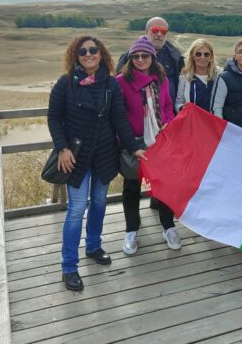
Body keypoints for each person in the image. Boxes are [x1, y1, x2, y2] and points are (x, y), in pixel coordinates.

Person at [47, 35, 141, 292]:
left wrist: (134, 147)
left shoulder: (111, 84)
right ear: (75, 56)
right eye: (83, 51)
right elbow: (54, 118)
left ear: (102, 54)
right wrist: (62, 148)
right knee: (77, 208)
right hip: (75, 157)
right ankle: (69, 267)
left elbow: (120, 118)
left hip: (104, 154)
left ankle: (93, 245)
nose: (89, 54)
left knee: (99, 202)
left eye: (93, 50)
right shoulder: (66, 84)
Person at [116, 35, 181, 254]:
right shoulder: (121, 81)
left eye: (145, 55)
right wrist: (129, 143)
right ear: (130, 58)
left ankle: (168, 226)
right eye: (136, 56)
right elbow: (119, 116)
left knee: (165, 185)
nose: (140, 59)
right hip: (133, 142)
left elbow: (168, 106)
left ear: (153, 57)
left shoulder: (161, 79)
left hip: (160, 141)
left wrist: (169, 127)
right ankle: (131, 229)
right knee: (132, 187)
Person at [116, 16, 184, 114]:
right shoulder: (128, 58)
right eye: (155, 30)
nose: (159, 34)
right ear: (146, 32)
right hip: (136, 120)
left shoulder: (175, 57)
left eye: (163, 31)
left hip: (168, 118)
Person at [211, 39, 242, 127]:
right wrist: (220, 128)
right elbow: (216, 107)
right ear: (235, 56)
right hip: (232, 130)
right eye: (240, 52)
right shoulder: (224, 78)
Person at [175, 39, 221, 112]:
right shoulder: (185, 77)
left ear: (211, 57)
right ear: (192, 56)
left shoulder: (219, 74)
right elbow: (178, 102)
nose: (202, 57)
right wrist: (182, 109)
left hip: (215, 120)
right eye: (198, 54)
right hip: (193, 121)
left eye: (206, 54)